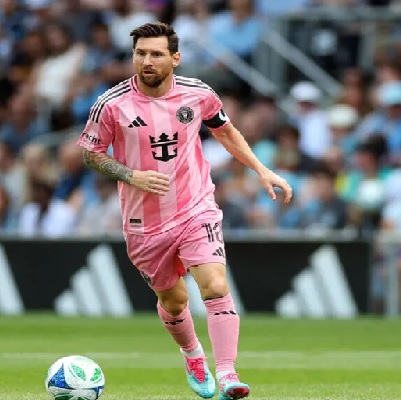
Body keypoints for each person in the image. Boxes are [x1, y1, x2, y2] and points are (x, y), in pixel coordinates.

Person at [77, 22, 292, 400]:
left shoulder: (199, 94)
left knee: (215, 285)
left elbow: (225, 131)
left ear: (175, 58)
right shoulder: (111, 104)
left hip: (196, 207)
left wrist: (260, 169)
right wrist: (131, 175)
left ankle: (227, 374)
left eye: (156, 54)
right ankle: (193, 354)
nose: (147, 60)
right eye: (140, 53)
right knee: (174, 302)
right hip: (144, 223)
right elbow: (90, 154)